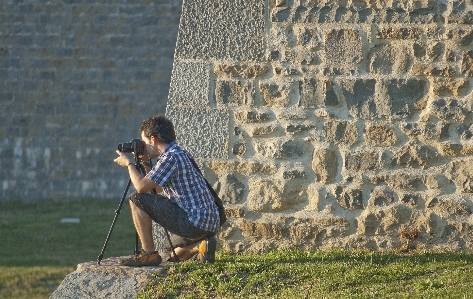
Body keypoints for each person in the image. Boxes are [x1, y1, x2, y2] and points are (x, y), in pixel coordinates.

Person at [113, 115, 220, 266]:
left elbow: (141, 187)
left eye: (144, 142)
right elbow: (157, 189)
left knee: (137, 199)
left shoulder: (169, 158)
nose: (143, 146)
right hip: (210, 222)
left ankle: (149, 253)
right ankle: (201, 246)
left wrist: (129, 164)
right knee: (168, 249)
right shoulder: (180, 153)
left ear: (153, 139)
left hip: (194, 221)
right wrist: (145, 162)